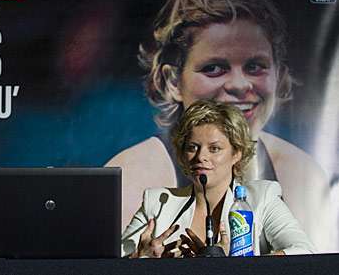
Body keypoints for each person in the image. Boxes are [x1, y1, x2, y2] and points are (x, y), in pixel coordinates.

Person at [107, 0, 336, 251]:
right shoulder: (134, 176)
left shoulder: (301, 173)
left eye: (255, 67)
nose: (239, 85)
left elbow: (312, 260)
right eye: (214, 68)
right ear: (173, 82)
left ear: (280, 76)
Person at [121, 100, 315, 257]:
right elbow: (112, 262)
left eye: (214, 149)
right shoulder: (157, 203)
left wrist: (229, 265)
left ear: (237, 153)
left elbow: (302, 251)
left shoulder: (261, 197)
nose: (201, 157)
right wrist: (141, 259)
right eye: (192, 147)